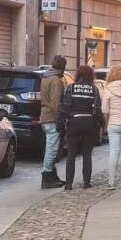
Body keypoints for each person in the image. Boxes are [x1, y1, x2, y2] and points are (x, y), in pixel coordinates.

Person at [59, 64, 102, 191]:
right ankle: (86, 183)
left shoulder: (71, 88)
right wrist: (95, 124)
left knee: (71, 154)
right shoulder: (94, 89)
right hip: (88, 122)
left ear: (78, 74)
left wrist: (61, 124)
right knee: (87, 154)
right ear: (91, 75)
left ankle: (68, 184)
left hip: (74, 122)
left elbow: (65, 107)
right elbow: (97, 110)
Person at [38, 56, 67, 189]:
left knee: (50, 147)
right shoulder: (56, 81)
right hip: (51, 118)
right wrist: (60, 119)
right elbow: (56, 103)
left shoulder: (45, 78)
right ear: (62, 67)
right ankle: (47, 175)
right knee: (52, 149)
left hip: (45, 116)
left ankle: (52, 175)